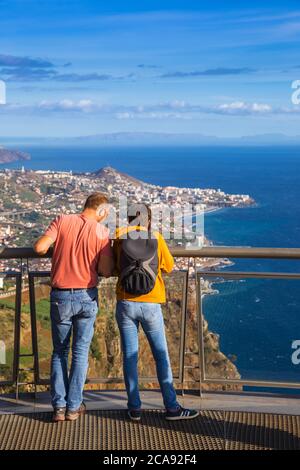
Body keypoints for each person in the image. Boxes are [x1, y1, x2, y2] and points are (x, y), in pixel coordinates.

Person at [113, 203, 199, 421]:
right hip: (151, 303)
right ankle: (171, 407)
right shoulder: (156, 237)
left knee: (129, 358)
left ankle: (134, 408)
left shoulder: (119, 237)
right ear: (148, 220)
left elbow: (114, 267)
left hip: (125, 302)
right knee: (161, 356)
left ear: (129, 219)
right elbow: (168, 266)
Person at [34, 192, 114, 422]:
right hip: (86, 296)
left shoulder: (62, 220)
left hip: (60, 297)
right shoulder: (101, 232)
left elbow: (40, 247)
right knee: (80, 353)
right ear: (101, 211)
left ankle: (58, 407)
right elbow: (107, 270)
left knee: (60, 352)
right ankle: (73, 407)